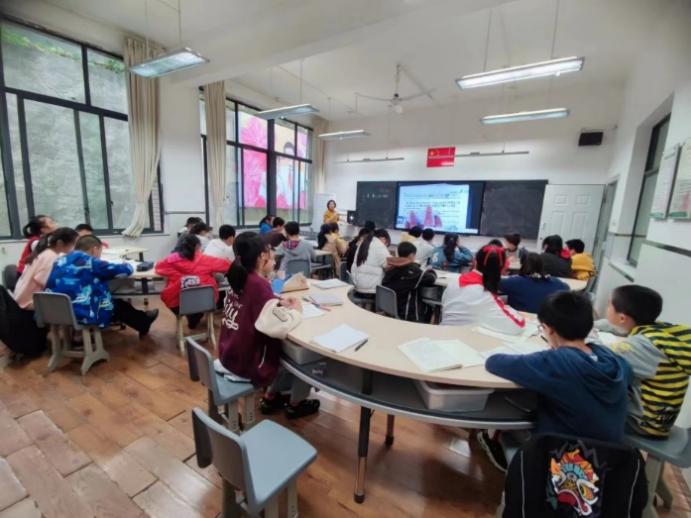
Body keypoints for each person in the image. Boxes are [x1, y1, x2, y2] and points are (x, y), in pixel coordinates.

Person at [479, 291, 633, 471]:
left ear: (549, 329)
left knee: (508, 425)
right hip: (609, 462)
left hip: (565, 463)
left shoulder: (556, 363)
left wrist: (550, 355)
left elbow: (495, 362)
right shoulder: (613, 360)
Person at [218, 232, 320, 419]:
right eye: (270, 252)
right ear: (262, 256)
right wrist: (297, 311)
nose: (273, 256)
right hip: (248, 362)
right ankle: (295, 402)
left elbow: (252, 304)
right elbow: (279, 326)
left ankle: (273, 395)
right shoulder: (258, 284)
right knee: (298, 354)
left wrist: (276, 301)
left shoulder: (238, 275)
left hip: (229, 351)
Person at [597, 285, 691, 438]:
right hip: (660, 417)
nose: (607, 308)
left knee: (581, 402)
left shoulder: (642, 347)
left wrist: (582, 333)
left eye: (609, 304)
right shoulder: (659, 329)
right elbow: (618, 326)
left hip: (644, 423)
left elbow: (599, 355)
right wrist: (591, 324)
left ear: (622, 318)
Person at [46, 235, 159, 336]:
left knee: (114, 303)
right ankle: (144, 322)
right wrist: (127, 264)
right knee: (115, 305)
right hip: (81, 312)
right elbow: (124, 270)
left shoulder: (60, 260)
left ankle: (144, 320)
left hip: (55, 311)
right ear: (95, 249)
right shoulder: (90, 261)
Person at [441, 244, 525, 334]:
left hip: (443, 334)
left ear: (475, 262)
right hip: (466, 338)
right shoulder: (486, 295)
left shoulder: (454, 282)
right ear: (501, 270)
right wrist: (508, 308)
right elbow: (518, 325)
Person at [155, 234, 231, 329]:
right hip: (205, 302)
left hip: (178, 304)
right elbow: (227, 266)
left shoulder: (170, 261)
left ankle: (191, 316)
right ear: (197, 246)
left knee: (177, 296)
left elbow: (158, 268)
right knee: (204, 292)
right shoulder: (205, 260)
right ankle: (195, 317)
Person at [14, 227, 79, 310]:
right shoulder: (51, 258)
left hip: (22, 301)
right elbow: (50, 284)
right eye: (74, 245)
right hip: (29, 304)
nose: (75, 249)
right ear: (60, 243)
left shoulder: (45, 253)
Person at [382, 242, 437, 321]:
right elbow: (431, 279)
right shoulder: (412, 269)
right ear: (411, 255)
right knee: (428, 305)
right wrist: (431, 271)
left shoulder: (390, 266)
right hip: (406, 313)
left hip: (389, 309)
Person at [499, 253, 569, 313]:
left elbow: (495, 283)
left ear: (522, 265)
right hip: (545, 320)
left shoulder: (513, 282)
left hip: (521, 320)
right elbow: (566, 287)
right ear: (542, 266)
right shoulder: (556, 282)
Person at [351, 229, 391, 294]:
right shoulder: (379, 246)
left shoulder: (364, 243)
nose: (386, 247)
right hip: (371, 291)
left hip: (357, 287)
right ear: (383, 239)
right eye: (386, 244)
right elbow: (389, 264)